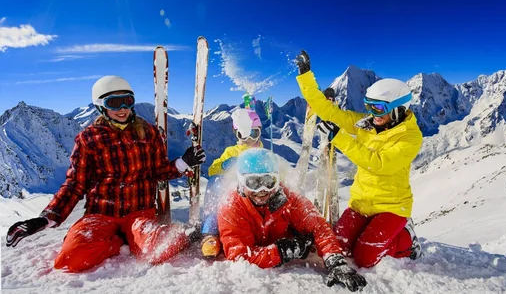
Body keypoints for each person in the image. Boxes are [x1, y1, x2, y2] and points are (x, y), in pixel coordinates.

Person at [5, 75, 206, 272]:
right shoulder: (89, 139)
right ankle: (119, 239)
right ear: (101, 106)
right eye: (114, 102)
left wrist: (183, 162)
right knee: (70, 260)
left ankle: (153, 236)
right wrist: (46, 218)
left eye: (127, 101)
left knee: (160, 248)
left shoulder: (148, 133)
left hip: (139, 212)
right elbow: (75, 183)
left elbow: (158, 172)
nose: (123, 109)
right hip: (101, 214)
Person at [295, 51, 424, 268]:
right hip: (362, 203)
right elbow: (327, 111)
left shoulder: (409, 136)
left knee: (365, 258)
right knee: (339, 248)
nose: (373, 113)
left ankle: (406, 240)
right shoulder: (369, 124)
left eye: (379, 108)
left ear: (399, 109)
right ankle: (372, 233)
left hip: (391, 207)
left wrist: (340, 138)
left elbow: (379, 164)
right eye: (369, 106)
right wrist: (306, 76)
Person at [218, 148, 367, 292]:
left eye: (269, 181)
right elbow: (240, 257)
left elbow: (318, 226)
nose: (262, 190)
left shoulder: (287, 198)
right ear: (241, 183)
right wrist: (282, 252)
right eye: (253, 183)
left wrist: (335, 260)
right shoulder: (231, 207)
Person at [200, 108, 263, 257]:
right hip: (235, 198)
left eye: (254, 133)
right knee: (217, 184)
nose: (250, 140)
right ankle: (210, 234)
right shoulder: (231, 152)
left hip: (257, 197)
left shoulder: (262, 153)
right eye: (244, 135)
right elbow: (212, 171)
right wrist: (223, 166)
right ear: (237, 134)